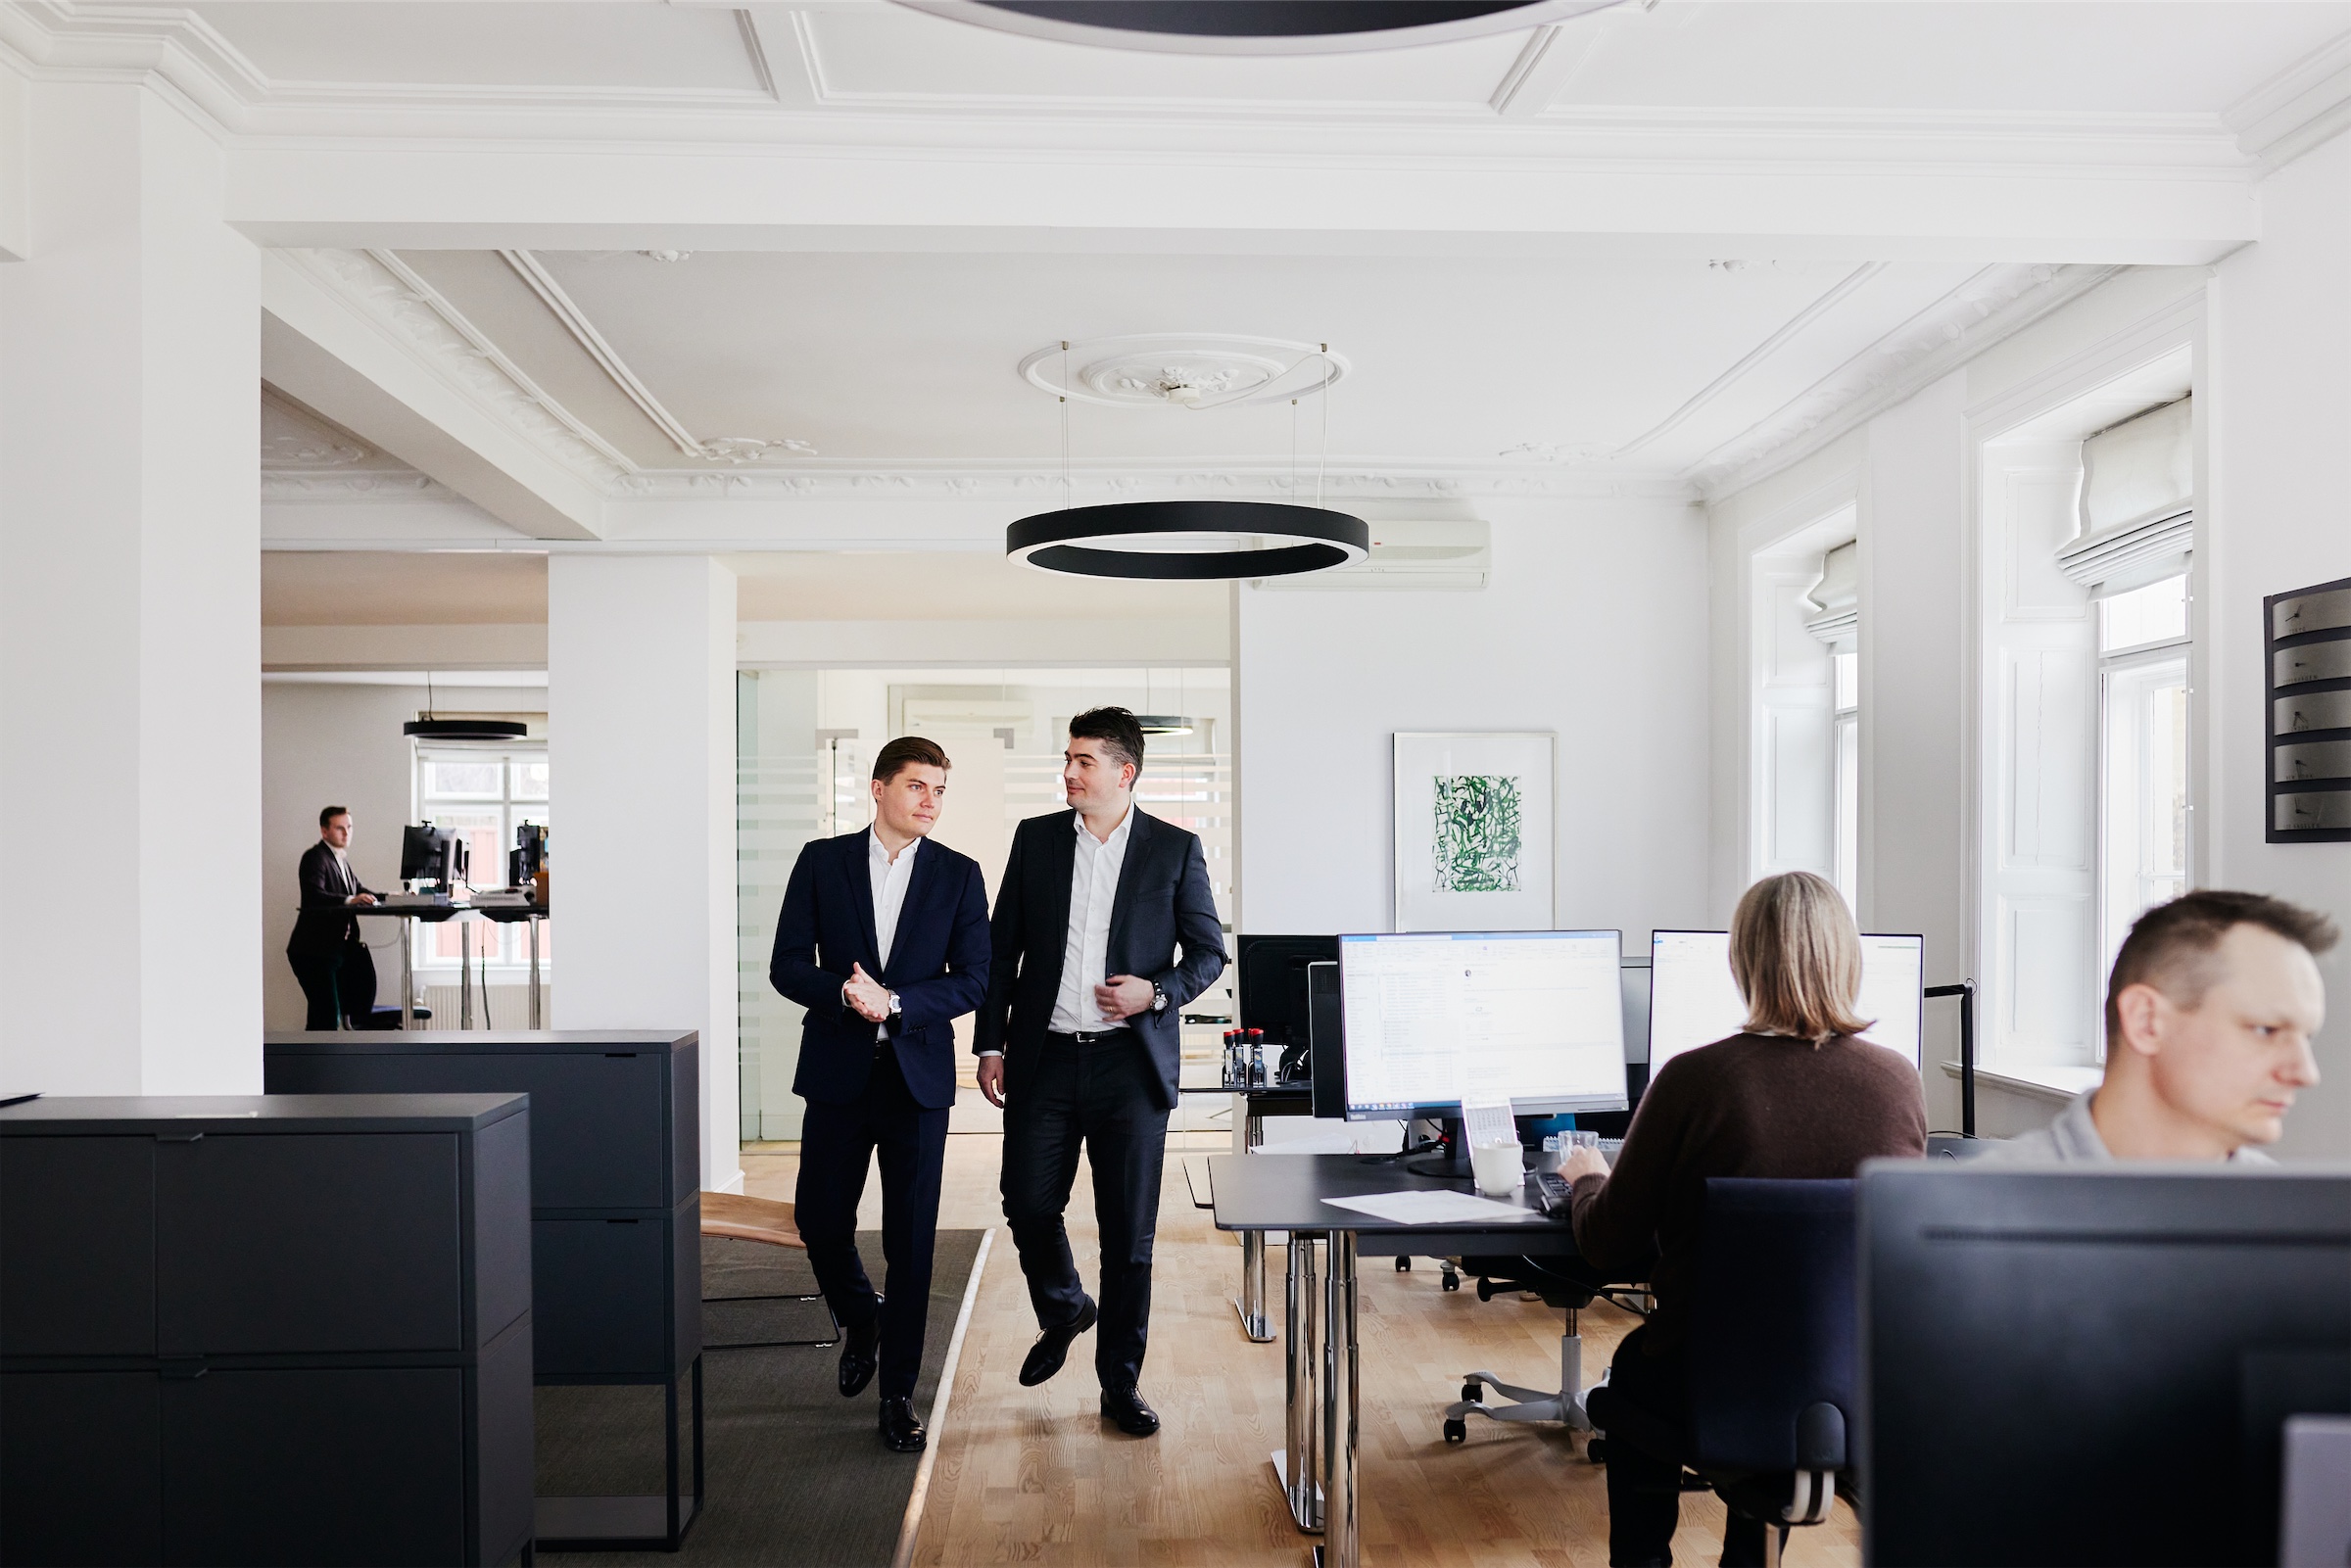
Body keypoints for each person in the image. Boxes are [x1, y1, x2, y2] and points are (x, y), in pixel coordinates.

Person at [1559, 871, 1927, 1568]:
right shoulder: (1898, 1080)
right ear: (1848, 958)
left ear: (1742, 962)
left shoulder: (1694, 1078)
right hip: (1844, 1386)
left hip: (1702, 1378)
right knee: (1789, 1358)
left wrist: (1588, 1181)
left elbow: (1608, 1243)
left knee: (1638, 1372)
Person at [974, 707, 1226, 1439]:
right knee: (1025, 1200)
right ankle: (1063, 1306)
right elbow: (1002, 949)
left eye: (1084, 761)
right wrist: (991, 1044)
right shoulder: (1037, 839)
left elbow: (1209, 954)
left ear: (1126, 771)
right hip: (1045, 1056)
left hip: (1129, 1065)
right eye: (1068, 758)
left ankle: (1120, 1384)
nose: (1069, 773)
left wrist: (1159, 991)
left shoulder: (1175, 849)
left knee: (1129, 1240)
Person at [769, 736, 991, 1453]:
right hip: (837, 1071)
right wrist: (843, 993)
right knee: (821, 1218)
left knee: (912, 1242)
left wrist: (894, 1002)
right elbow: (784, 965)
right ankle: (861, 1314)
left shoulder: (960, 875)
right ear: (878, 788)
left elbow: (974, 979)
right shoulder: (821, 861)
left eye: (939, 790)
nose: (931, 801)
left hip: (918, 1079)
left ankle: (898, 1391)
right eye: (918, 786)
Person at [1984, 889, 2330, 1164]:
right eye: (2265, 1030)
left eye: (2307, 1037)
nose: (2305, 1074)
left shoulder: (2308, 1222)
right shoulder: (1970, 1219)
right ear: (2146, 1022)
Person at [287, 805, 383, 1030]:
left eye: (349, 827)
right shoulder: (315, 857)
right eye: (340, 828)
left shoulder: (341, 860)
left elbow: (361, 892)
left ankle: (317, 1062)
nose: (346, 833)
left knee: (327, 1014)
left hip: (335, 950)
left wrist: (395, 897)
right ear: (324, 831)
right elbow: (314, 895)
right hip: (313, 951)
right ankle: (317, 1063)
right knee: (327, 1015)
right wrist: (350, 900)